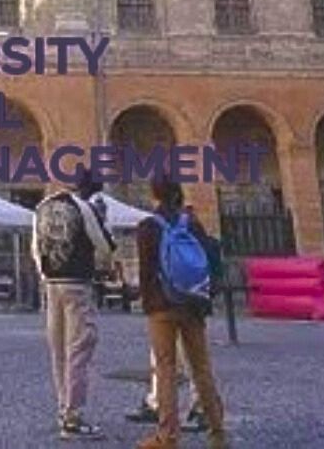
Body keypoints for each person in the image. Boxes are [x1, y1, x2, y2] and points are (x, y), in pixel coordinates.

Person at [136, 179, 226, 449]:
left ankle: (168, 436)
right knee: (201, 367)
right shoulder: (192, 224)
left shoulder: (148, 226)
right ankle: (218, 432)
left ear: (154, 195)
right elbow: (209, 261)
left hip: (162, 306)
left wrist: (147, 303)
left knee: (165, 369)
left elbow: (146, 271)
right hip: (192, 303)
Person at [34, 165, 114, 440]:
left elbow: (35, 249)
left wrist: (46, 274)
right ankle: (73, 416)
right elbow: (105, 245)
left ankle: (63, 407)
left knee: (57, 348)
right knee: (79, 348)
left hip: (51, 283)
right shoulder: (84, 208)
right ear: (91, 189)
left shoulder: (43, 206)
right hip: (77, 283)